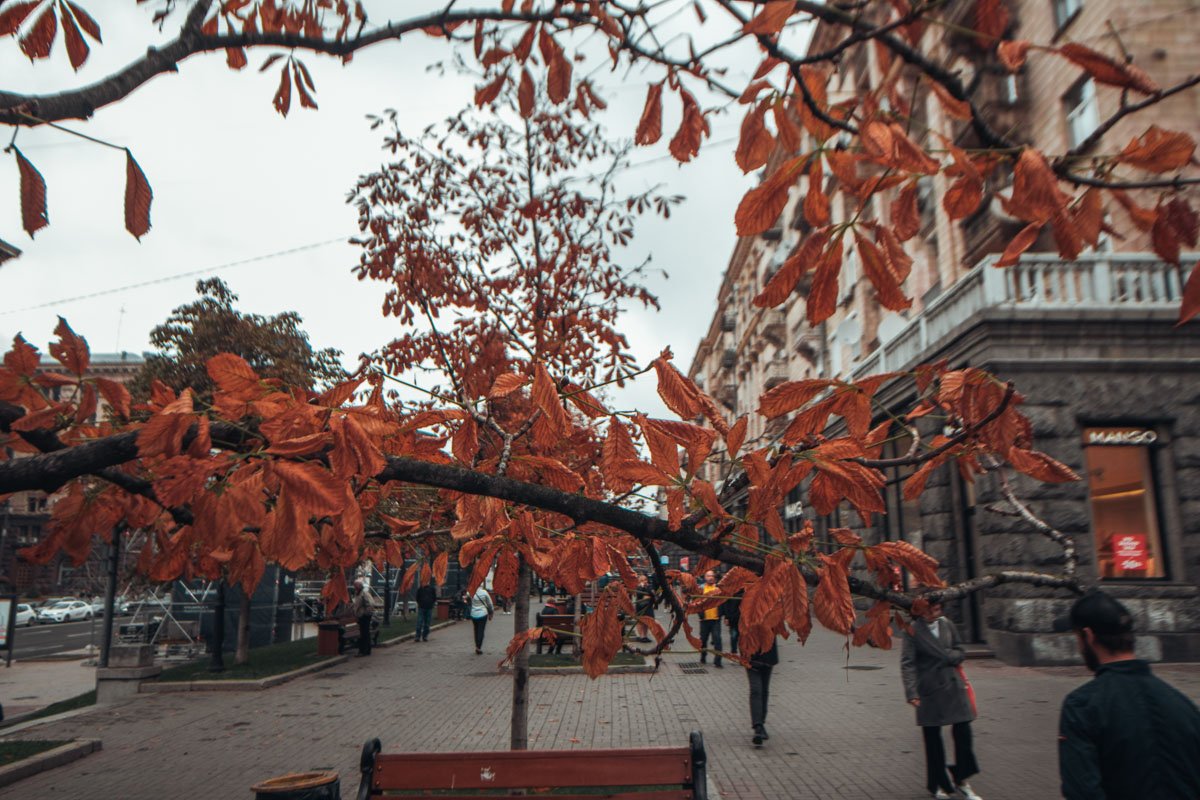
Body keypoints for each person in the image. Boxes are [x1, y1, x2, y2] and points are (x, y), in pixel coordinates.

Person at [1054, 589, 1200, 799]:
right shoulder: (1182, 704)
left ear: (1088, 636)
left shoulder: (1082, 705)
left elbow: (1082, 792)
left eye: (1077, 638)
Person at [900, 600, 982, 800]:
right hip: (929, 689)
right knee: (933, 739)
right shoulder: (912, 630)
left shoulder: (947, 624)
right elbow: (908, 663)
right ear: (920, 611)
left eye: (937, 609)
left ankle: (962, 779)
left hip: (953, 686)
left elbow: (960, 650)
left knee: (964, 731)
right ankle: (937, 784)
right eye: (930, 610)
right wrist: (912, 693)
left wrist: (950, 656)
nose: (934, 614)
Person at [746, 636, 777, 746]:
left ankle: (761, 722)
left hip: (768, 654)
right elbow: (736, 621)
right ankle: (758, 726)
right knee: (756, 690)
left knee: (764, 690)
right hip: (751, 654)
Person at [698, 569, 724, 667]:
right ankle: (703, 656)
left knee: (717, 640)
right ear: (705, 578)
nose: (710, 577)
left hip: (715, 619)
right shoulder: (701, 589)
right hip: (704, 620)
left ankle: (718, 661)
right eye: (708, 576)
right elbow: (697, 603)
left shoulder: (718, 589)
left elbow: (723, 602)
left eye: (712, 576)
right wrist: (700, 614)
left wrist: (723, 615)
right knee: (703, 640)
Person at [468, 584, 494, 654]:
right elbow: (490, 604)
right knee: (481, 630)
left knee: (476, 630)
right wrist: (491, 612)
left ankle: (477, 645)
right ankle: (478, 647)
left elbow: (467, 600)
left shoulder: (470, 592)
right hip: (483, 614)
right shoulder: (484, 592)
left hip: (473, 614)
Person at [351, 579, 373, 657]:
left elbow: (369, 604)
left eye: (356, 586)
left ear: (360, 586)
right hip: (360, 616)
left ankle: (364, 650)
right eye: (354, 586)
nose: (355, 587)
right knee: (364, 633)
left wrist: (365, 613)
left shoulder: (364, 594)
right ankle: (365, 650)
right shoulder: (358, 594)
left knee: (364, 633)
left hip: (364, 616)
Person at [634, 573, 656, 643]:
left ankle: (645, 636)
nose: (644, 581)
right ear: (639, 581)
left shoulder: (650, 586)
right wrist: (642, 587)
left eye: (645, 579)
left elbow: (653, 594)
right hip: (641, 606)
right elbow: (639, 594)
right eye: (642, 580)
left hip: (648, 606)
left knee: (647, 621)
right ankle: (641, 636)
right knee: (640, 621)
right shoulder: (638, 587)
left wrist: (648, 592)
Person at [414, 577, 437, 642]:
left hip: (429, 608)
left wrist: (431, 603)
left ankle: (425, 636)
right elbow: (417, 598)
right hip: (422, 608)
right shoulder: (420, 589)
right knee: (419, 622)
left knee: (427, 624)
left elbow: (434, 598)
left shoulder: (432, 589)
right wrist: (420, 603)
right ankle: (417, 636)